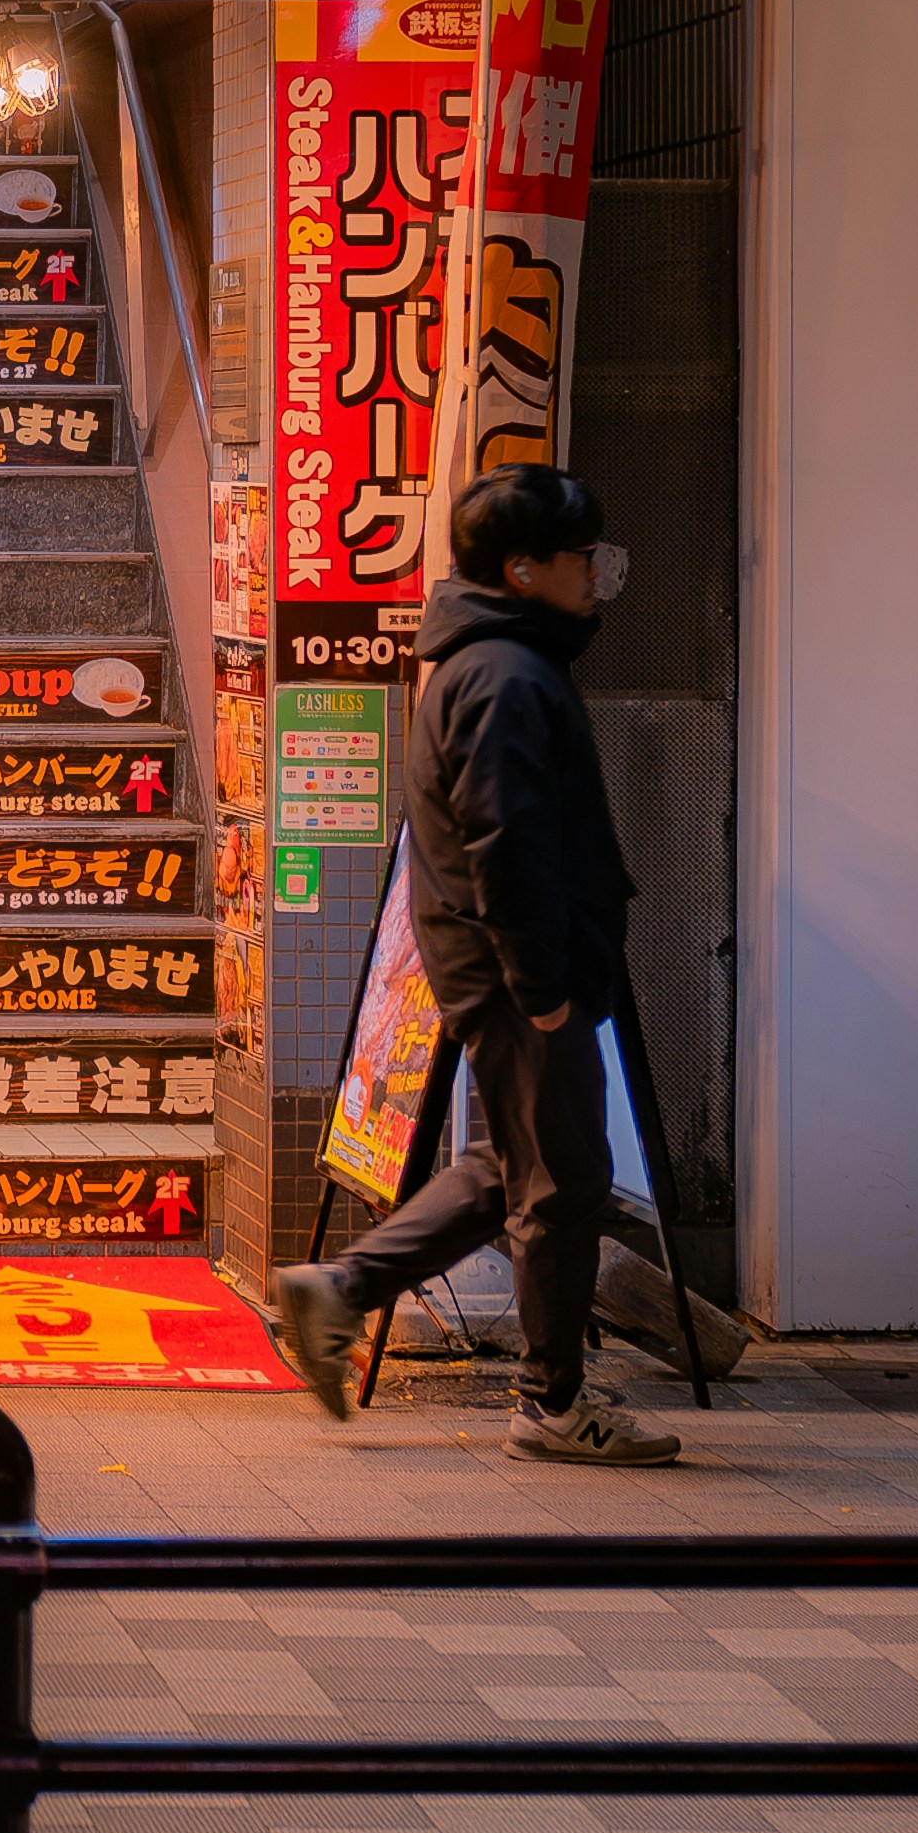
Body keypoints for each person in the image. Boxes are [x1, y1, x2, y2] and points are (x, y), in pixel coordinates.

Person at [268, 465, 680, 1469]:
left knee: (510, 1169)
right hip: (517, 976)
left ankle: (342, 1291)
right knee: (564, 1186)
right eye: (584, 556)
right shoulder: (503, 673)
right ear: (523, 567)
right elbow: (506, 840)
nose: (597, 573)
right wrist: (540, 985)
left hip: (500, 967)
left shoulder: (493, 659)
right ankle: (550, 1402)